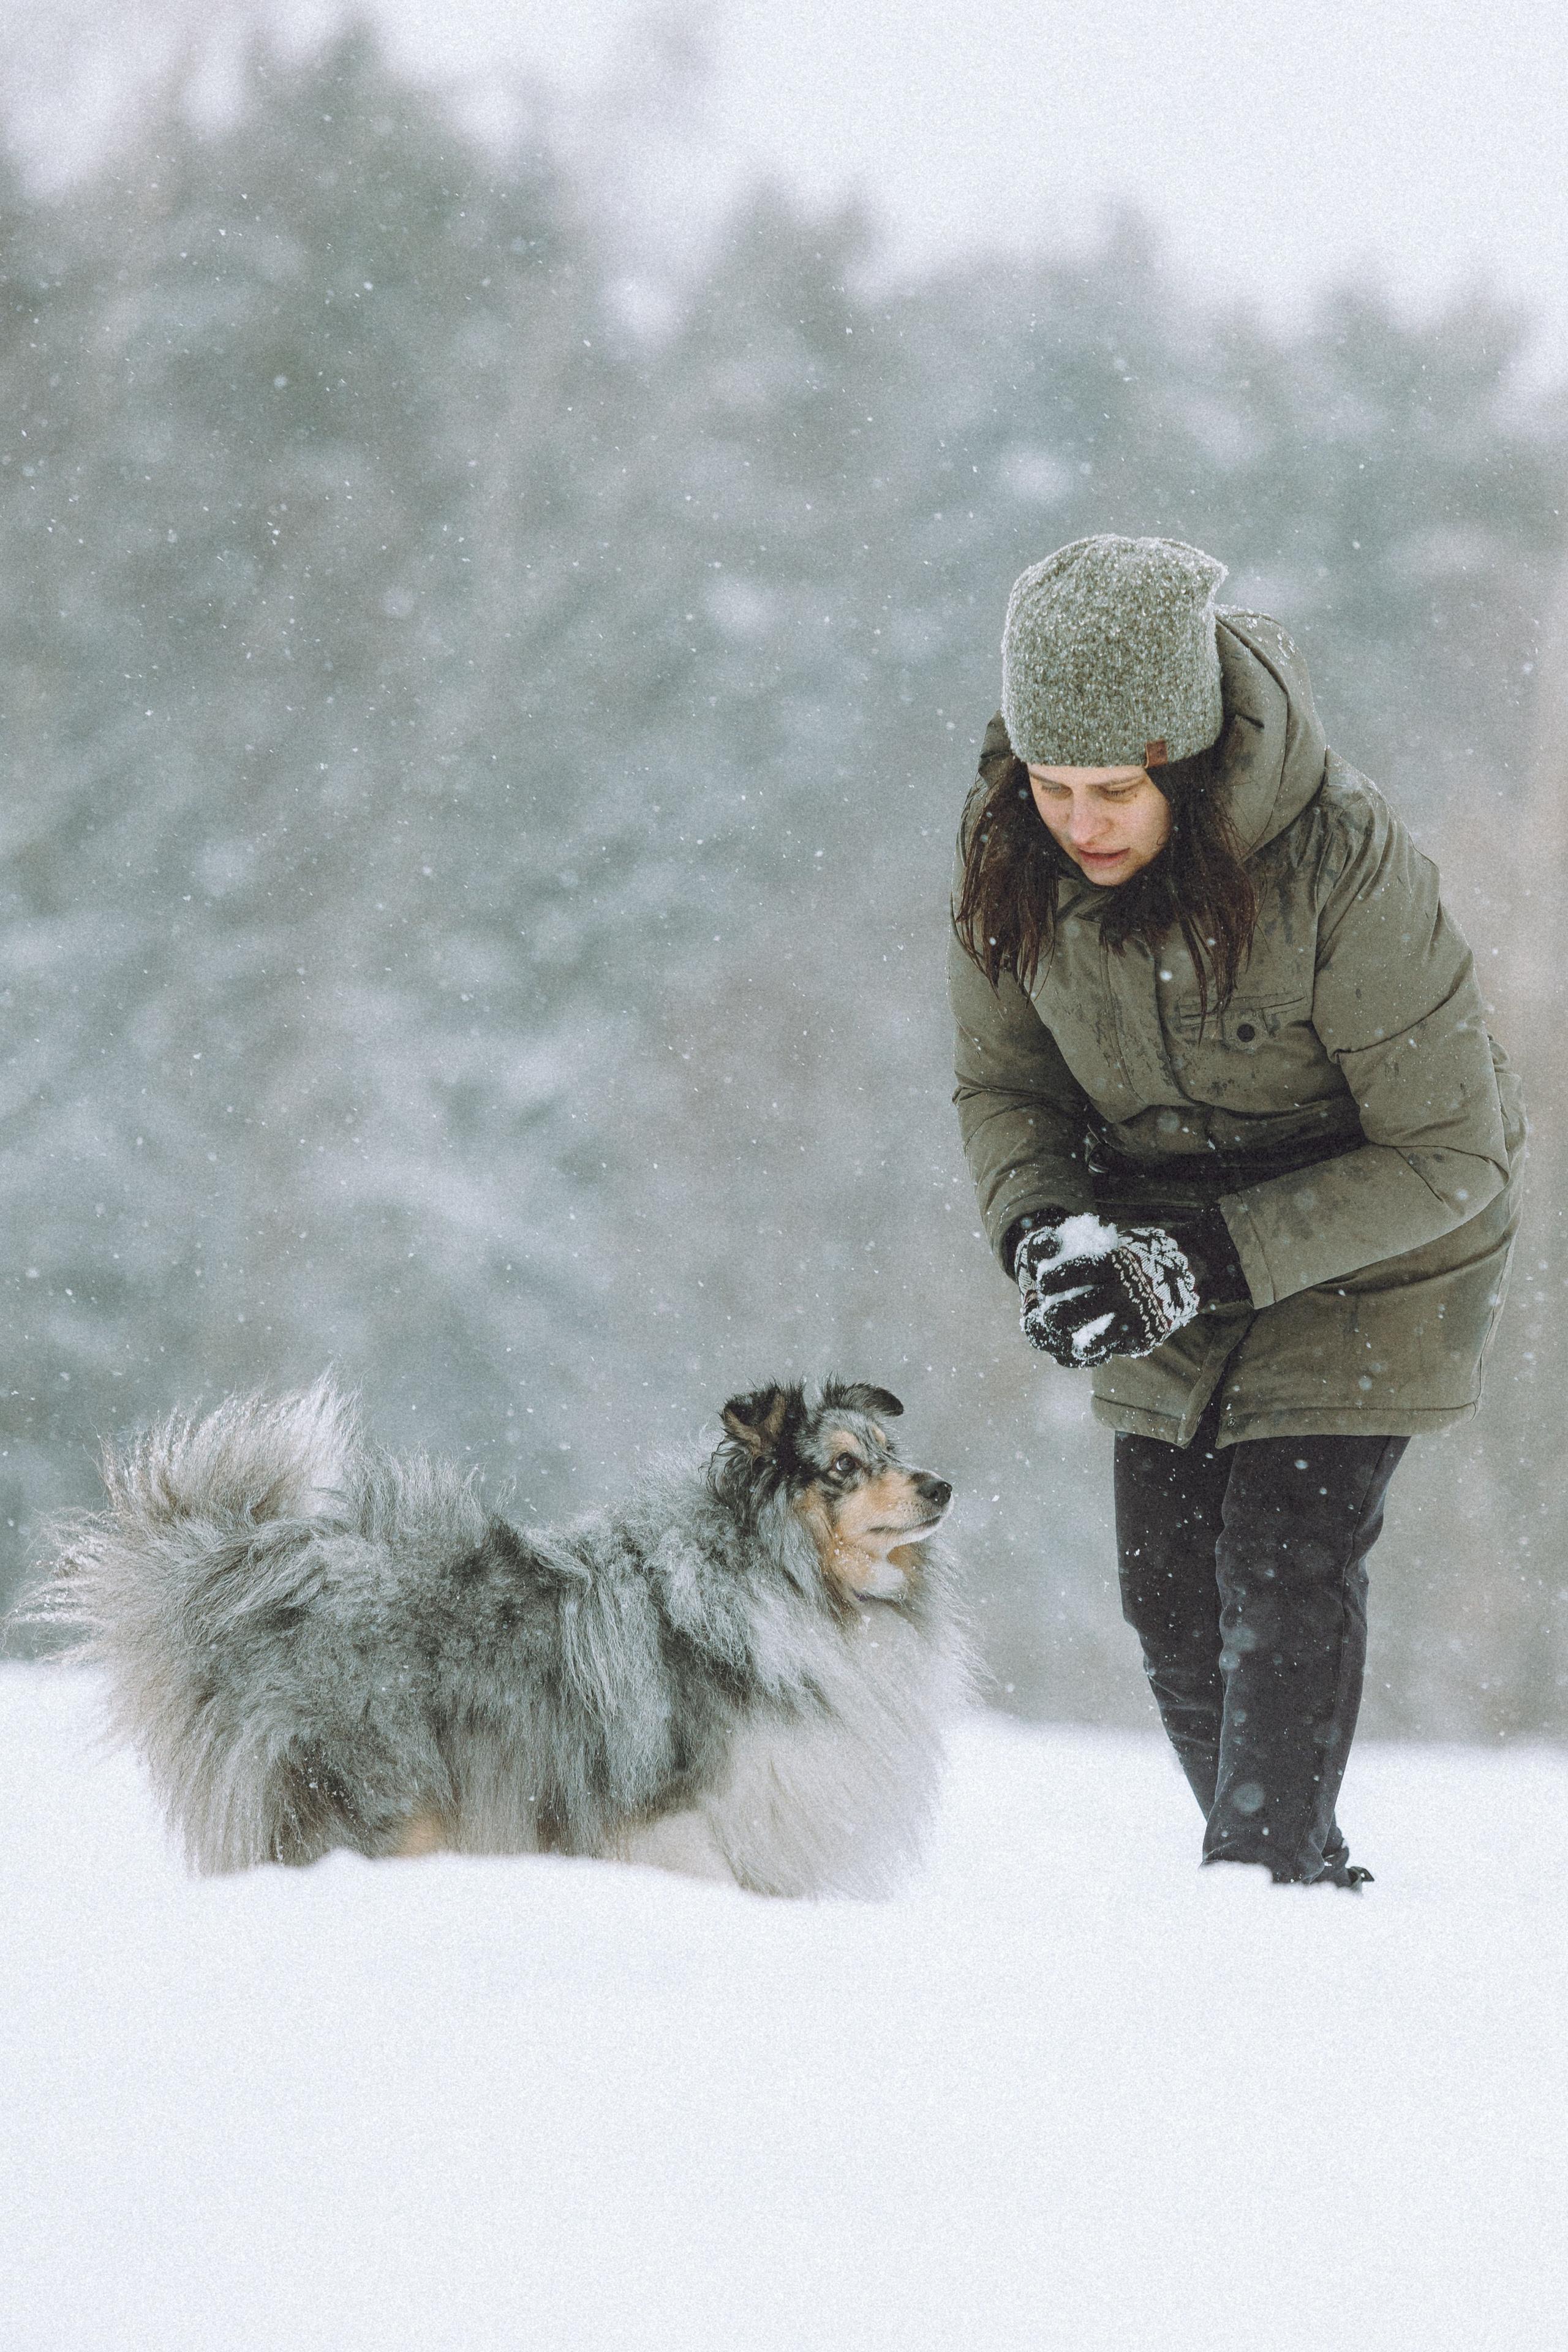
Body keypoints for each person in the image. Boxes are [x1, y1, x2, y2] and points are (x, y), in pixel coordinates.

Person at [948, 534, 1525, 1886]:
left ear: (1189, 765)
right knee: (1165, 1585)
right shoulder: (1004, 855)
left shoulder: (1343, 867)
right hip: (1154, 1237)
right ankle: (1286, 1877)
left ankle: (1261, 1889)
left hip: (1380, 1239)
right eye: (1049, 784)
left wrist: (1205, 1255)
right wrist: (1041, 1234)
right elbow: (1004, 1088)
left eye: (1111, 788)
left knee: (1279, 1553)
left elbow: (1454, 1150)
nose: (1076, 822)